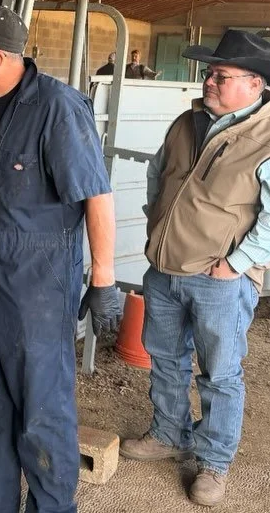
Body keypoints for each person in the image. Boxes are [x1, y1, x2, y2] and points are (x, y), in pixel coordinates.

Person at [0, 5, 121, 513]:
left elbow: (95, 195)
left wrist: (103, 277)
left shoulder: (57, 107)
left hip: (35, 285)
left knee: (42, 408)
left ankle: (52, 507)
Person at [119, 29, 270, 507]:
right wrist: (156, 226)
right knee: (165, 358)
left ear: (256, 83)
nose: (209, 81)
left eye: (221, 75)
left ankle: (214, 461)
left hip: (219, 279)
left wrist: (238, 263)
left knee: (220, 374)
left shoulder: (265, 136)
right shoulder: (188, 122)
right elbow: (157, 173)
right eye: (209, 73)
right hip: (164, 269)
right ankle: (169, 433)